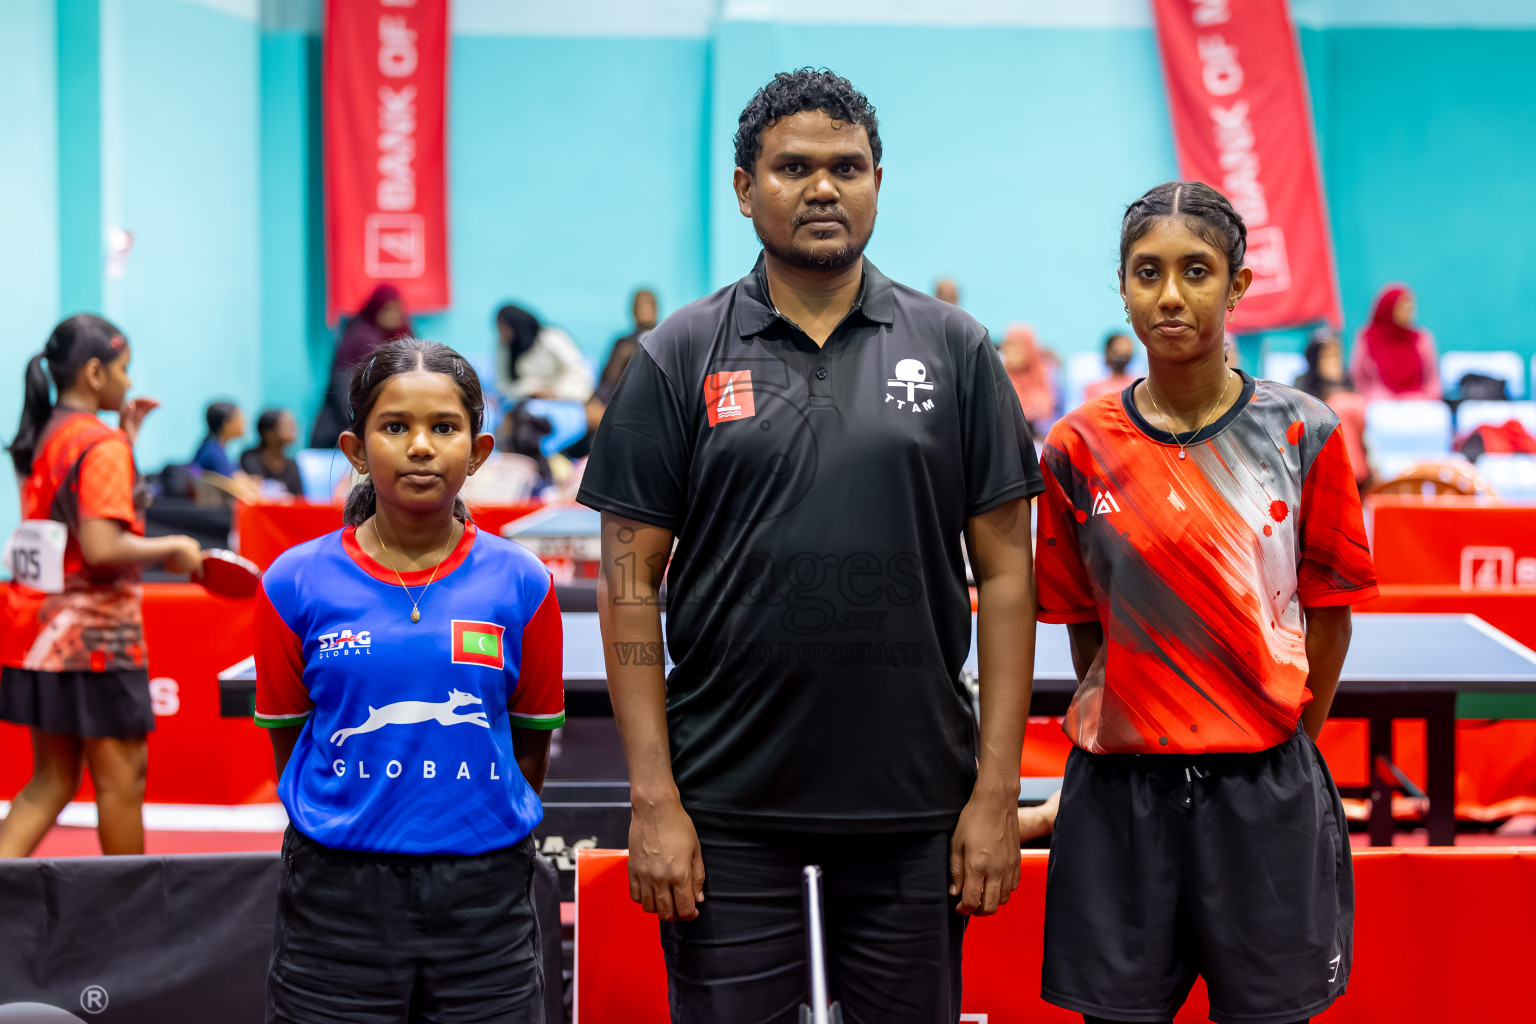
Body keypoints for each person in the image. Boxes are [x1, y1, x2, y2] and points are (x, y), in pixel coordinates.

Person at [578, 68, 1041, 1022]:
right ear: (746, 188)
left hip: (916, 805)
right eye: (793, 167)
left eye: (847, 166)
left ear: (879, 181)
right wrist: (654, 797)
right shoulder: (679, 352)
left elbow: (1005, 577)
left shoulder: (956, 349)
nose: (823, 187)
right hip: (724, 806)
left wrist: (996, 792)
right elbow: (630, 586)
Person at [1035, 181, 1378, 1024]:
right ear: (1122, 287)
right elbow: (1087, 627)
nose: (1171, 295)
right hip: (1120, 800)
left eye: (1196, 271)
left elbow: (1329, 615)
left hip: (1264, 792)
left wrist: (1285, 744)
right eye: (1147, 273)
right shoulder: (1078, 447)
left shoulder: (1305, 434)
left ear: (1238, 286)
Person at [254, 337, 563, 1021]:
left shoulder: (524, 582)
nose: (420, 446)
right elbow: (290, 741)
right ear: (356, 448)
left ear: (477, 452)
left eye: (444, 428)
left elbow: (528, 746)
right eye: (395, 427)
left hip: (485, 902)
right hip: (336, 901)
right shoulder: (293, 581)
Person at [0, 314, 203, 857]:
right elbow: (102, 548)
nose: (129, 382)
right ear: (94, 373)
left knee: (52, 781)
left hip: (42, 636)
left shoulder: (49, 435)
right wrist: (176, 548)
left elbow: (77, 519)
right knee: (122, 782)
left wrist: (126, 442)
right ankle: (133, 929)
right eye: (123, 369)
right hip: (95, 643)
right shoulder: (98, 443)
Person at [310, 283, 412, 447]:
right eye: (387, 309)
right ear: (375, 309)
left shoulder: (400, 337)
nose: (393, 315)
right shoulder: (362, 339)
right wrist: (364, 431)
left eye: (397, 309)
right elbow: (347, 393)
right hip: (346, 434)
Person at [1297, 328, 1371, 489]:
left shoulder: (1350, 384)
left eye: (1337, 354)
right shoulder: (1303, 389)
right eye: (1328, 356)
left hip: (1359, 469)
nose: (1335, 361)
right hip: (1323, 470)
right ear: (1315, 359)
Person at [1351, 283, 1440, 402]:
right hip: (1377, 404)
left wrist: (1421, 399)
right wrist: (1374, 399)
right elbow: (1358, 379)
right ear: (1389, 309)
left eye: (1411, 309)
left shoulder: (1421, 340)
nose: (1409, 314)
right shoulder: (1367, 339)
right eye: (1403, 308)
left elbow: (1432, 381)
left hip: (1417, 404)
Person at [493, 303, 594, 404]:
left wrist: (556, 393)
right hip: (527, 402)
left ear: (516, 326)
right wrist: (530, 391)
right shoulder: (505, 349)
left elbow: (579, 371)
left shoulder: (550, 338)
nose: (501, 334)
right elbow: (503, 387)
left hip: (563, 398)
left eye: (503, 329)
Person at [595, 288, 659, 405]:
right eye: (640, 306)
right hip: (616, 400)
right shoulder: (622, 343)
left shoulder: (664, 341)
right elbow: (606, 381)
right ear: (633, 310)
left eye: (648, 305)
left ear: (655, 309)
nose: (644, 310)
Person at [1000, 323, 1059, 434]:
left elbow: (1048, 413)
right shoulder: (1000, 376)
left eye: (1016, 346)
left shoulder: (1043, 374)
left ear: (1028, 348)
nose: (1010, 352)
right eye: (1007, 346)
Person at [239, 408, 304, 497]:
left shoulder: (292, 464)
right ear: (268, 432)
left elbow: (299, 499)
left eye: (294, 424)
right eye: (287, 424)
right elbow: (253, 491)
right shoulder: (250, 458)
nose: (294, 428)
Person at [193, 401, 245, 477]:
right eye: (239, 419)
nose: (243, 423)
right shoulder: (215, 455)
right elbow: (227, 485)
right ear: (226, 424)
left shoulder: (210, 445)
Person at [1082, 332, 1136, 401]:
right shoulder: (1093, 387)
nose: (1122, 355)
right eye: (1117, 352)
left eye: (1126, 352)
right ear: (1108, 352)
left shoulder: (1140, 384)